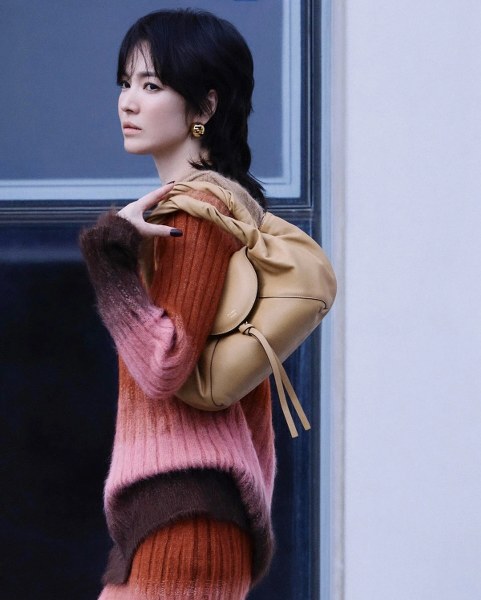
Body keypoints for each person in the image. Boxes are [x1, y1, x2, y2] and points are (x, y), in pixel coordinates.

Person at [79, 8, 275, 600]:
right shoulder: (212, 211)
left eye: (152, 85)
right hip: (183, 516)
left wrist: (108, 258)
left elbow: (165, 364)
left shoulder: (198, 214)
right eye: (126, 82)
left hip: (185, 520)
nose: (127, 102)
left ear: (205, 105)